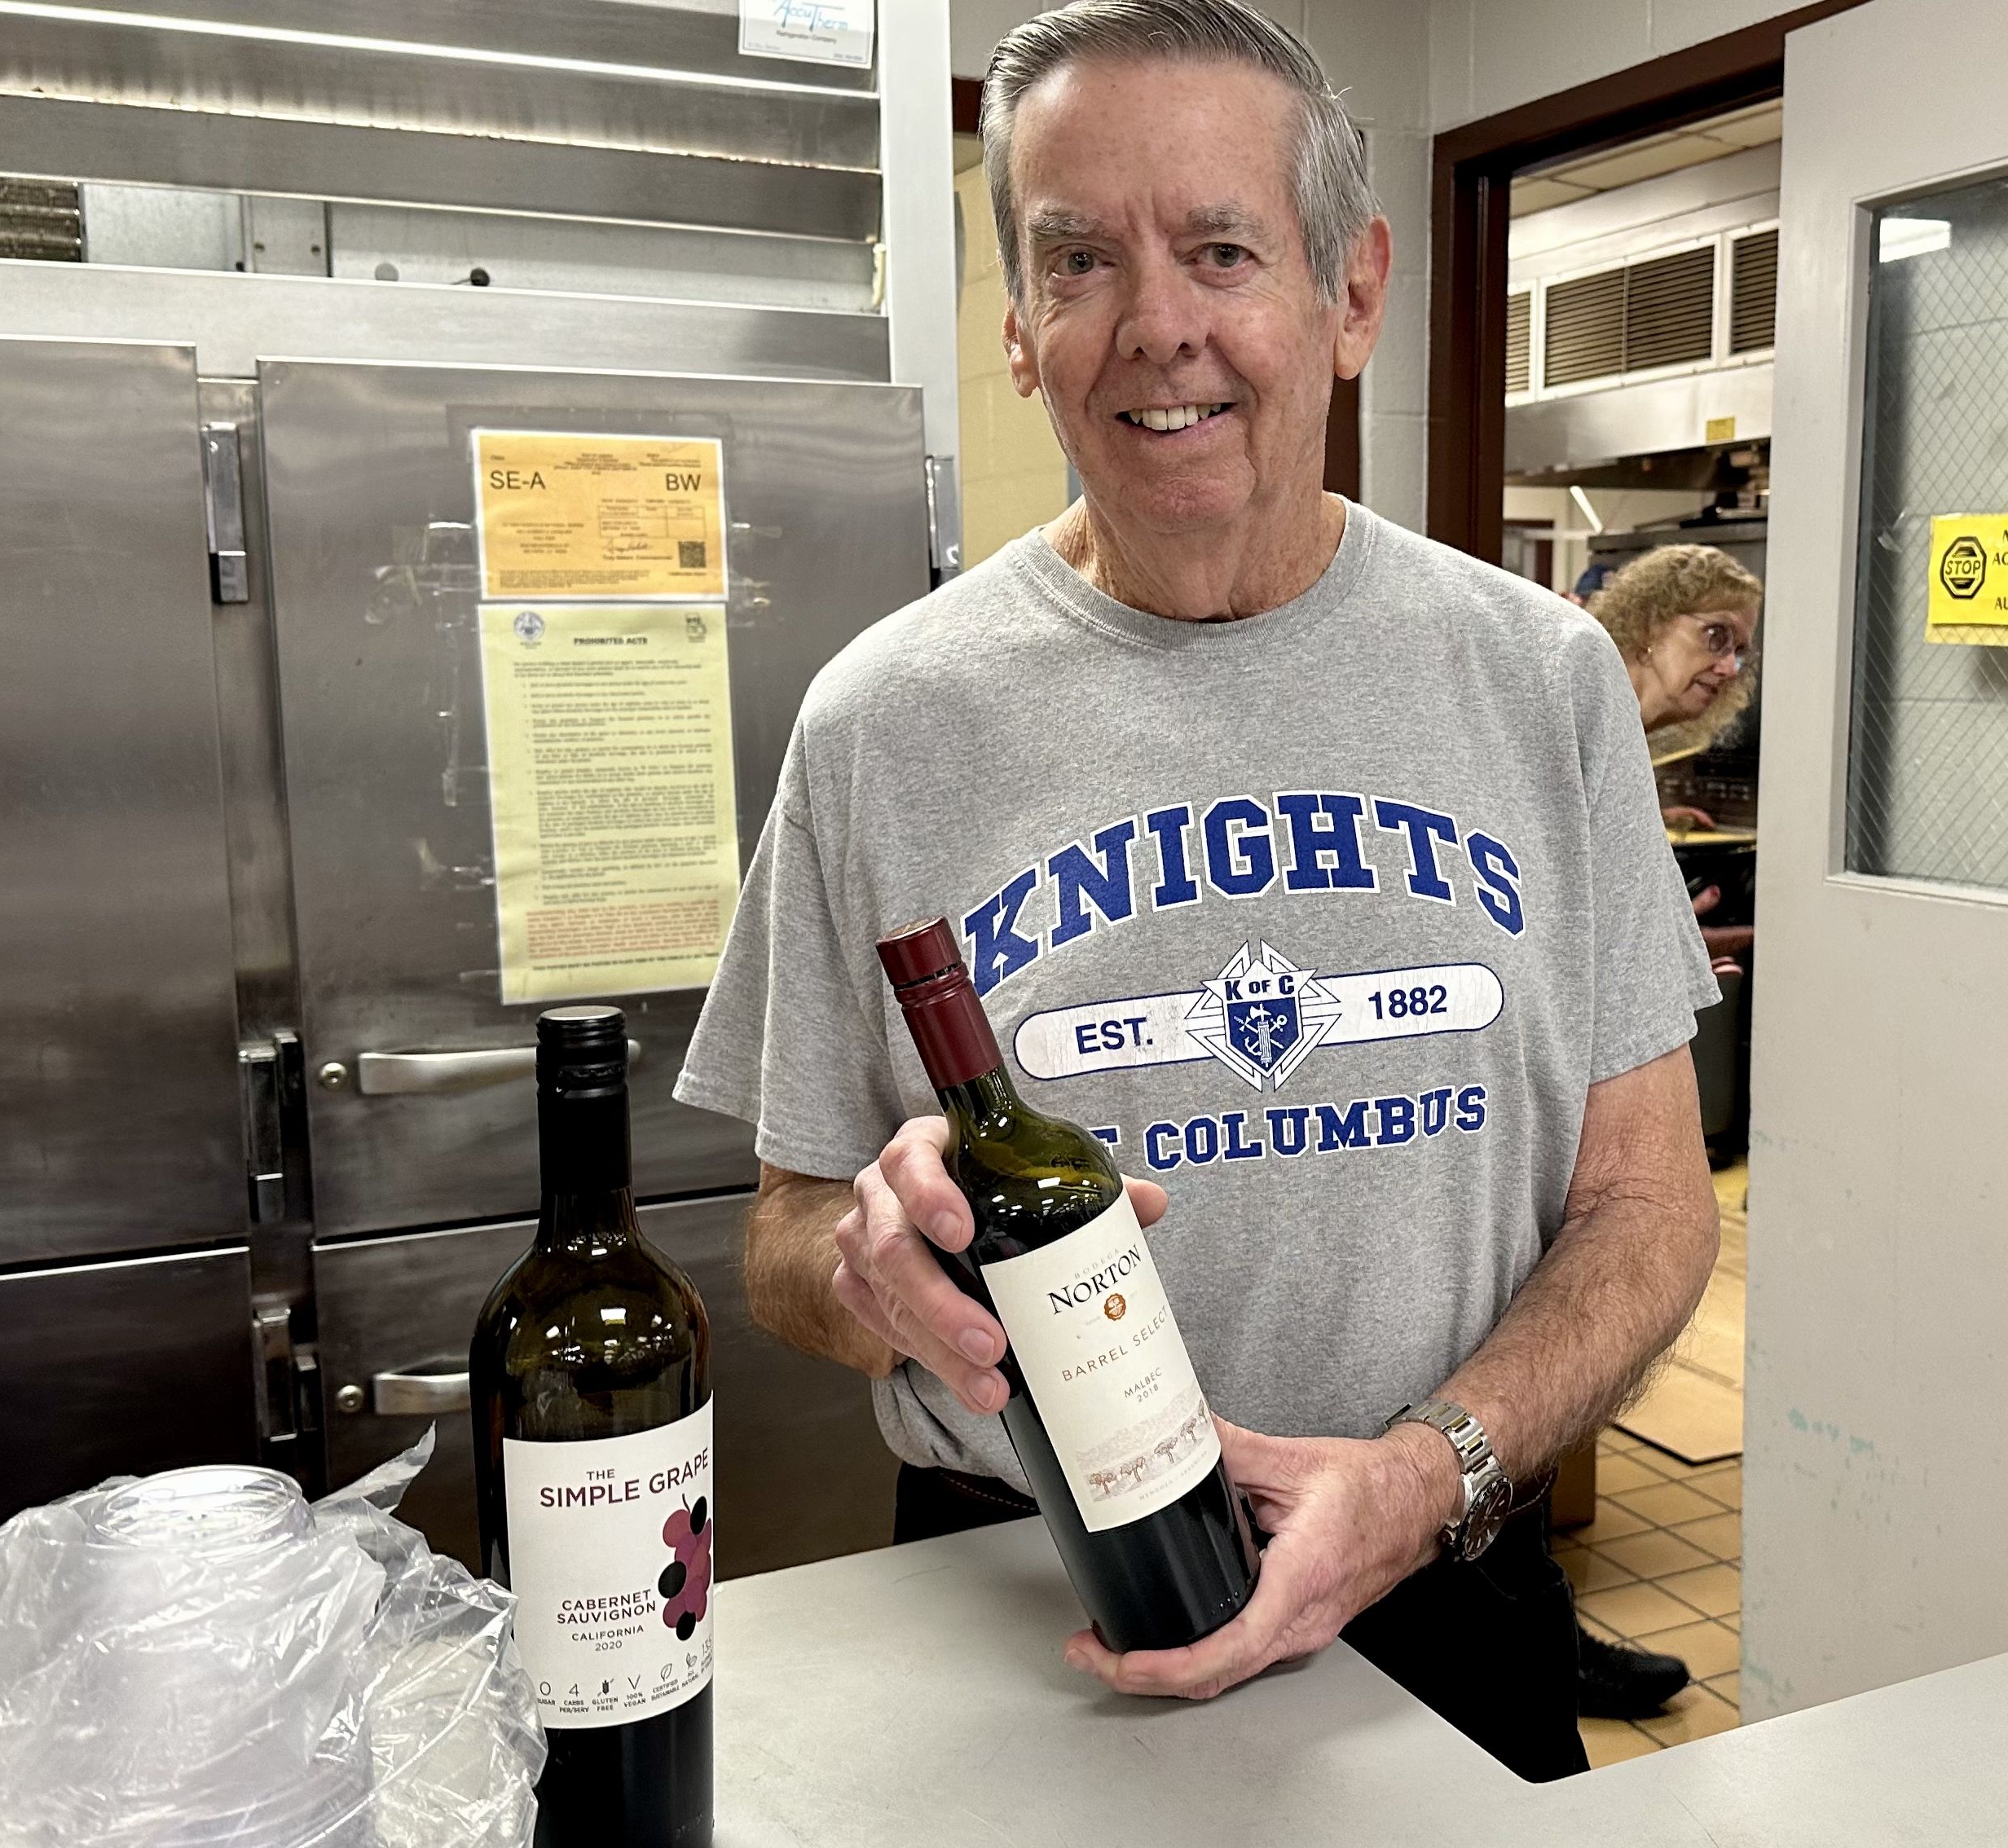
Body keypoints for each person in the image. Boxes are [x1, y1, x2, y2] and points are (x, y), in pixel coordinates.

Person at [676, 0, 1721, 1783]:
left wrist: (1424, 1477)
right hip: (1024, 1601)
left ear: (1354, 291)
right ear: (1018, 325)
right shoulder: (883, 722)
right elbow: (781, 1237)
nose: (1156, 326)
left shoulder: (1540, 683)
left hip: (1443, 1574)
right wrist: (865, 1266)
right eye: (1080, 259)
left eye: (1222, 249)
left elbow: (1651, 1206)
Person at [1587, 543, 1762, 966]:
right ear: (1649, 622)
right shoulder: (1584, 719)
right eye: (1716, 637)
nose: (1728, 669)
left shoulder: (1618, 732)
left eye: (1739, 652)